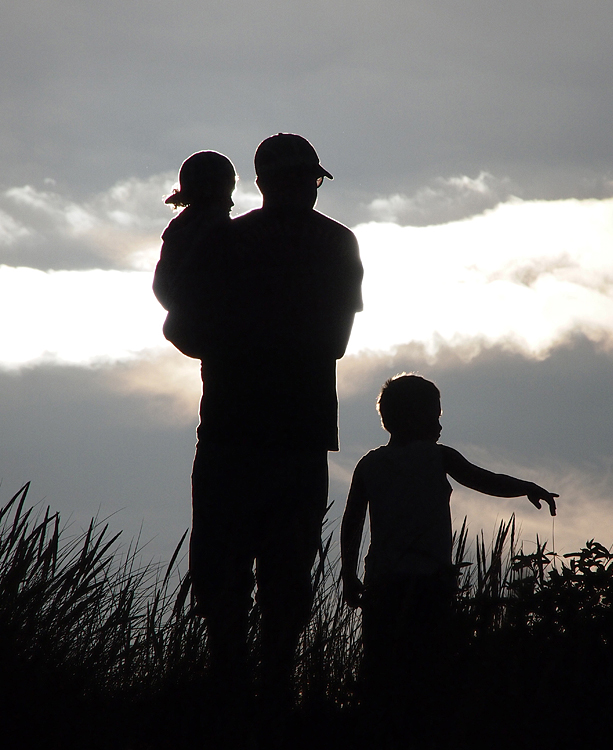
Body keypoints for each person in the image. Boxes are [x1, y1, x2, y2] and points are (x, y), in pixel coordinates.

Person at [184, 134, 364, 728]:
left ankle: (244, 700)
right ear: (265, 183)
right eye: (298, 180)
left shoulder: (229, 239)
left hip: (255, 431)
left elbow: (182, 327)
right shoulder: (335, 243)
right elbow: (335, 339)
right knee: (267, 575)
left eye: (307, 181)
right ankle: (255, 700)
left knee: (251, 574)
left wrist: (234, 344)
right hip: (282, 432)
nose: (303, 190)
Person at [340, 374, 558, 747]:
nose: (440, 424)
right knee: (428, 669)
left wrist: (348, 572)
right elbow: (483, 479)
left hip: (383, 584)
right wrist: (525, 487)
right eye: (434, 414)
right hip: (429, 583)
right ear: (414, 415)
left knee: (383, 671)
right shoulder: (438, 456)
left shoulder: (369, 464)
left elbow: (351, 521)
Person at [153, 150, 237, 358]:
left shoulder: (177, 232)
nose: (230, 203)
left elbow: (160, 287)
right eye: (225, 190)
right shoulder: (218, 232)